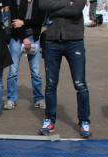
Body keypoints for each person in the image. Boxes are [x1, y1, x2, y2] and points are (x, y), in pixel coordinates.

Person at [39, 0, 92, 138]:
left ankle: (84, 121)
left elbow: (76, 10)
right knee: (50, 84)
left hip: (75, 41)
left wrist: (54, 10)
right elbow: (43, 5)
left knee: (80, 84)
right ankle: (50, 120)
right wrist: (68, 3)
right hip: (52, 40)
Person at [4, 0, 45, 111]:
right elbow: (15, 22)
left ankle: (39, 98)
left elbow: (40, 20)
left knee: (36, 71)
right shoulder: (16, 1)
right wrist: (25, 37)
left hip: (33, 37)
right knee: (13, 71)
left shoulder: (40, 2)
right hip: (17, 38)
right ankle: (11, 99)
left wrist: (23, 22)